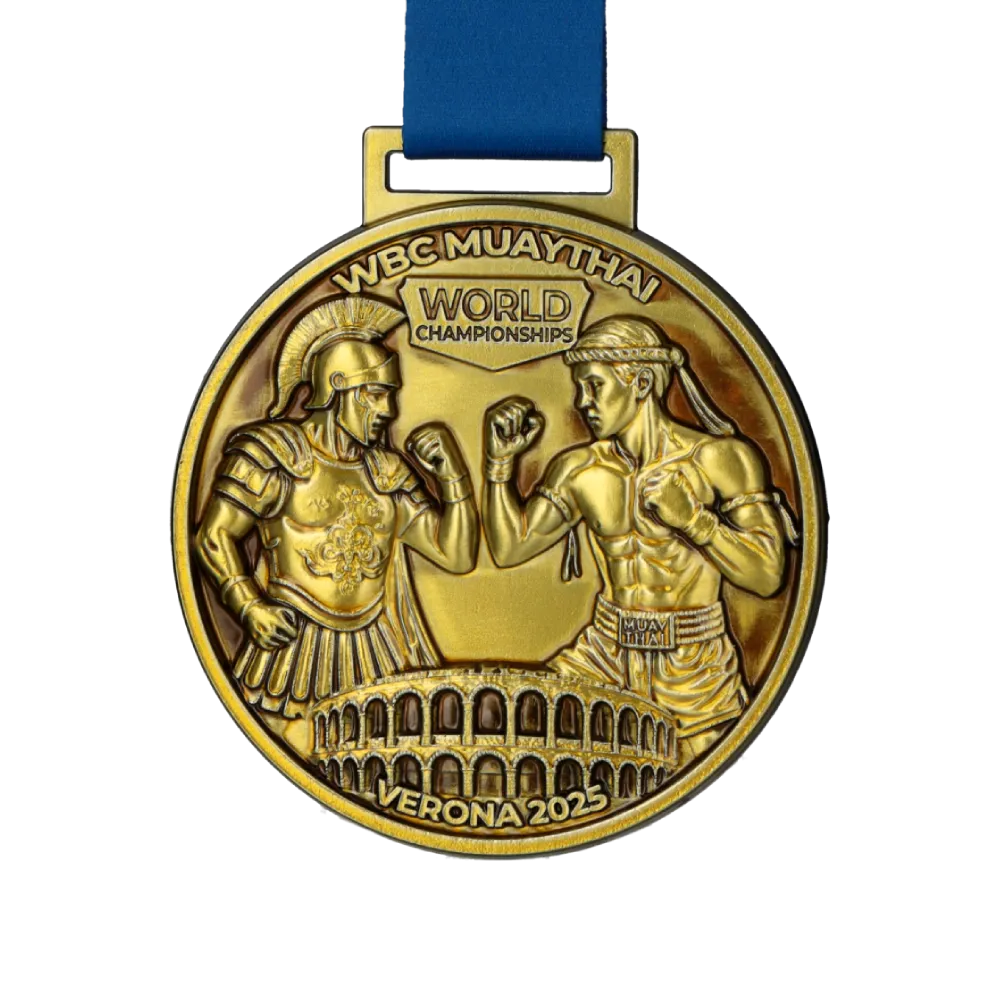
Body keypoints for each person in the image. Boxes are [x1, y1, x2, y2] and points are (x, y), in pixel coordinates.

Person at [481, 315, 798, 762]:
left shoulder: (719, 459)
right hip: (603, 653)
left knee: (699, 771)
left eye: (595, 386)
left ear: (642, 383)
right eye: (580, 387)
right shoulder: (579, 469)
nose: (582, 402)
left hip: (693, 667)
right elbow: (512, 547)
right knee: (519, 727)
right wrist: (499, 467)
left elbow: (767, 576)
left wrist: (695, 521)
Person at [196, 295, 478, 720]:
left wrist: (453, 480)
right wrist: (248, 606)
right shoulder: (276, 455)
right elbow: (214, 536)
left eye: (390, 396)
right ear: (337, 386)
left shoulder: (386, 471)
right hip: (290, 647)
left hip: (377, 650)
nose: (389, 410)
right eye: (376, 394)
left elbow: (453, 554)